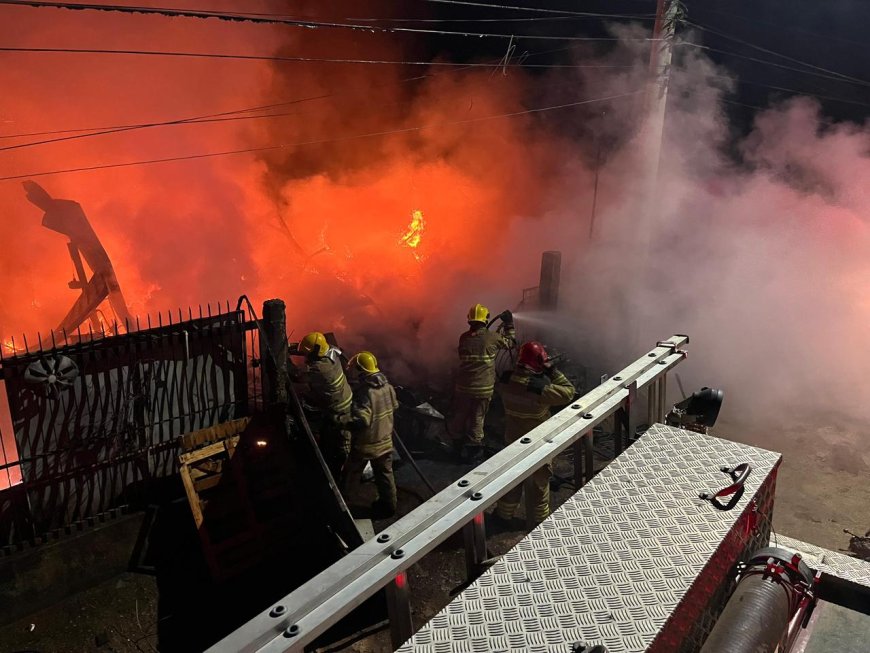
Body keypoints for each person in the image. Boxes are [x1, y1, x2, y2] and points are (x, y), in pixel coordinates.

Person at [494, 341, 574, 526]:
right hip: (537, 445)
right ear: (539, 361)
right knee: (539, 486)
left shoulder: (505, 379)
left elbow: (513, 383)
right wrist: (552, 371)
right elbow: (569, 392)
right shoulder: (539, 389)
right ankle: (539, 522)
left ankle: (503, 516)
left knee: (511, 482)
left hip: (512, 442)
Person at [447, 303, 515, 462]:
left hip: (463, 387)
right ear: (485, 320)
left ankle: (456, 445)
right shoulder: (492, 337)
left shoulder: (463, 337)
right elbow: (511, 343)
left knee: (461, 415)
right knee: (477, 417)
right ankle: (473, 449)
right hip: (483, 388)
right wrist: (509, 324)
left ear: (469, 320)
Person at [343, 351, 400, 518]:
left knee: (350, 475)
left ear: (361, 370)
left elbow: (362, 420)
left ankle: (345, 506)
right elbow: (395, 406)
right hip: (386, 441)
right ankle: (389, 507)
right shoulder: (388, 387)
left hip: (366, 444)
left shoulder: (365, 392)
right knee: (385, 475)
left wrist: (343, 421)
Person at [291, 331, 353, 481]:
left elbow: (297, 376)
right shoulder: (331, 350)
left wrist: (284, 360)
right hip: (345, 397)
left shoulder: (320, 368)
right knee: (330, 434)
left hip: (339, 408)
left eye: (307, 354)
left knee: (344, 441)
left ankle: (347, 475)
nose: (306, 357)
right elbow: (311, 350)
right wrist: (291, 348)